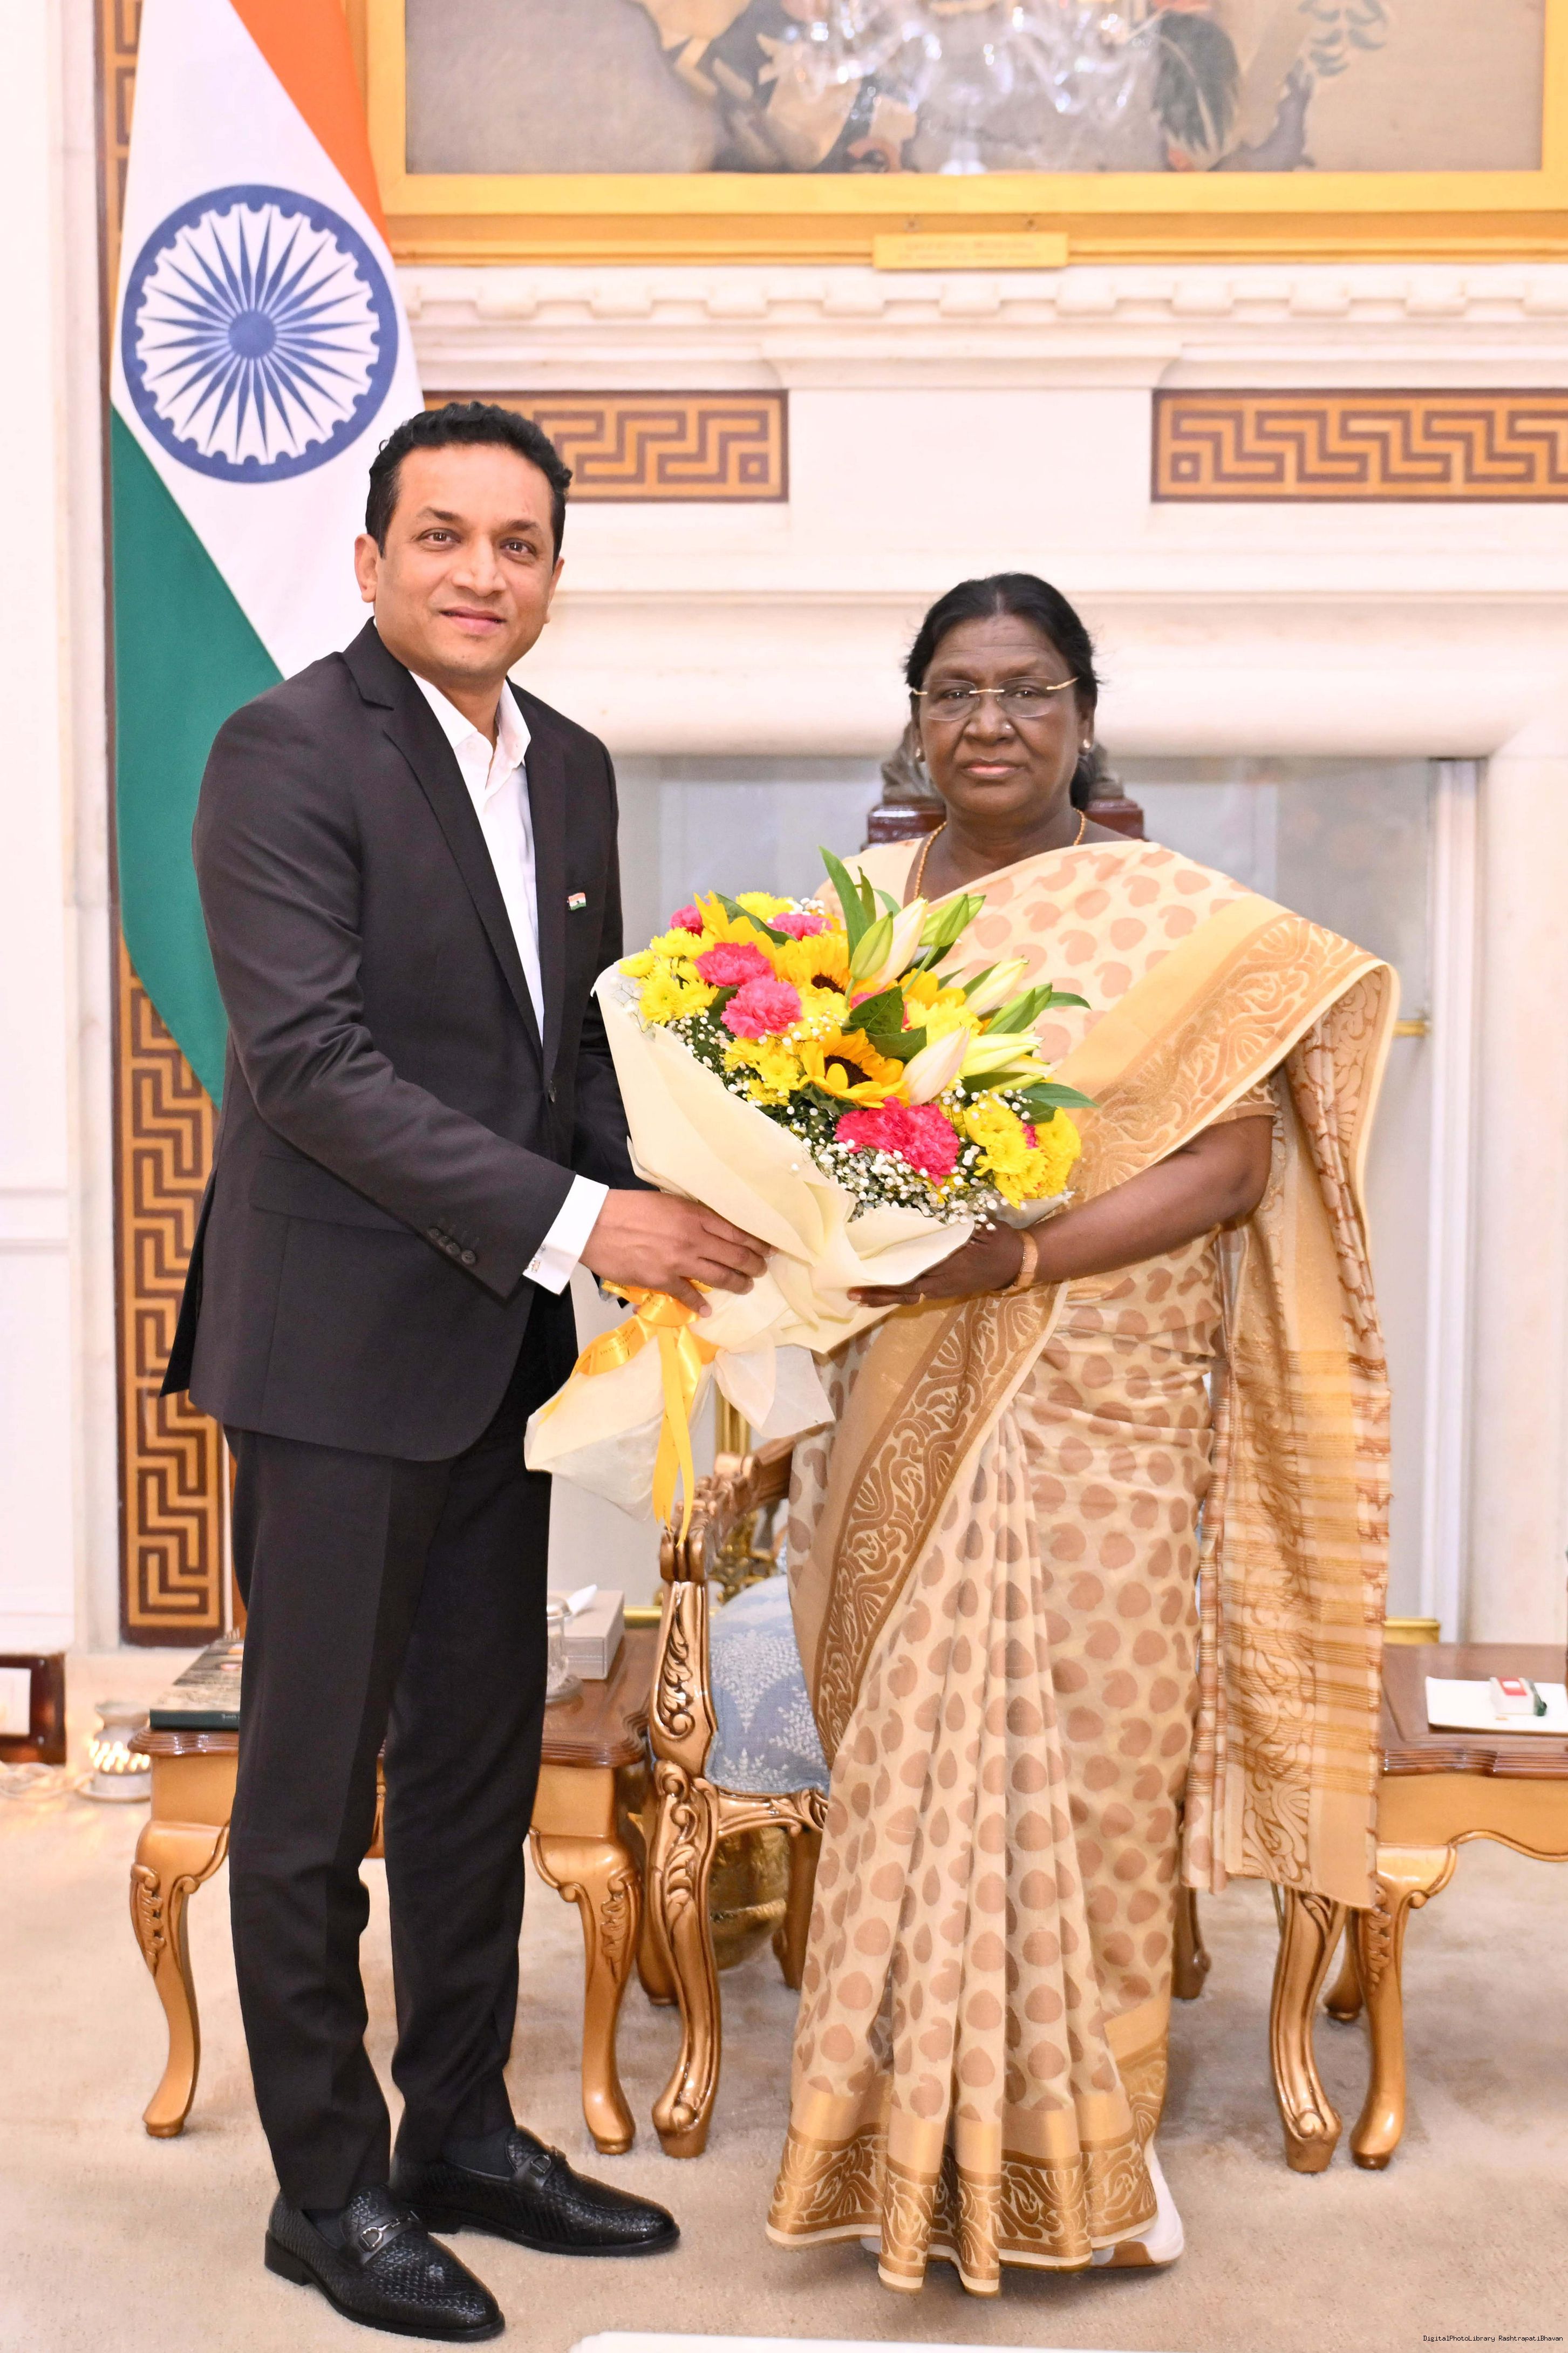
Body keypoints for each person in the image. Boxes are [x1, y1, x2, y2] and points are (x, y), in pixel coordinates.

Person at [163, 402, 767, 2342]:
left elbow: (565, 1057)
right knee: (308, 1795)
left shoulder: (567, 767)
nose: (479, 572)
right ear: (370, 560)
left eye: (517, 543)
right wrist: (597, 1226)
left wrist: (720, 1192)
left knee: (473, 1769)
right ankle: (325, 2195)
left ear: (554, 576)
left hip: (499, 1349)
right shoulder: (281, 752)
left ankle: (459, 2138)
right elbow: (312, 1067)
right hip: (333, 1353)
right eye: (441, 536)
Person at [767, 573, 1394, 2292]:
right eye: (954, 691)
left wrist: (1019, 1256)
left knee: (1098, 1769)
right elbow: (786, 1154)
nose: (989, 722)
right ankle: (896, 2142)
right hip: (900, 1387)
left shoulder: (1171, 921)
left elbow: (1233, 1164)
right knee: (900, 1767)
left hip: (1106, 1394)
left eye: (1027, 689)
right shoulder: (847, 925)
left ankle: (1091, 2145)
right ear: (914, 717)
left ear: (1082, 714)